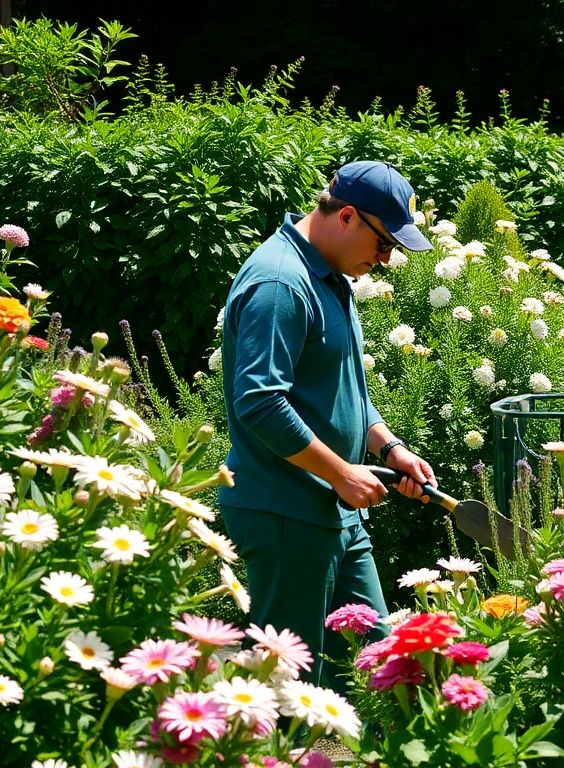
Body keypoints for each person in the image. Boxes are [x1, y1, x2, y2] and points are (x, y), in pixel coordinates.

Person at [218, 160, 438, 690]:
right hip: (284, 511)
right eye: (384, 244)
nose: (385, 260)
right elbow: (259, 401)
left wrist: (389, 449)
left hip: (333, 512)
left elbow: (340, 394)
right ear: (346, 217)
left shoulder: (329, 276)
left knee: (387, 667)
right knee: (285, 686)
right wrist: (340, 472)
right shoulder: (280, 283)